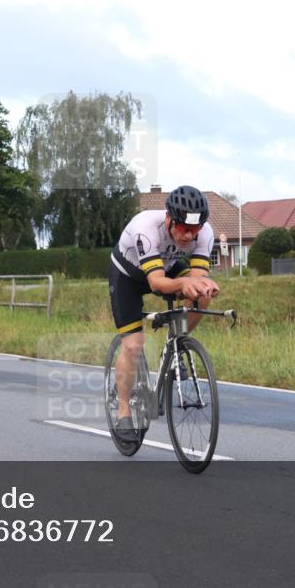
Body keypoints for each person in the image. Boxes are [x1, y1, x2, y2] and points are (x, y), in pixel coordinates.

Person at [108, 185, 221, 440]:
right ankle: (123, 411)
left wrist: (204, 286)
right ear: (169, 218)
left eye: (194, 230)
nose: (187, 236)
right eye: (182, 228)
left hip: (167, 266)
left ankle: (175, 344)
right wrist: (183, 284)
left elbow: (196, 277)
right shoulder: (146, 227)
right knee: (133, 344)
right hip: (129, 275)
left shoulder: (204, 233)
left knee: (201, 298)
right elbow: (156, 283)